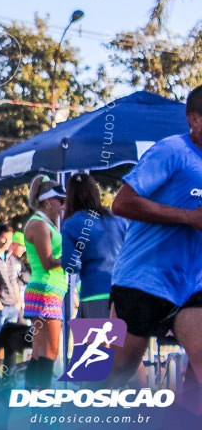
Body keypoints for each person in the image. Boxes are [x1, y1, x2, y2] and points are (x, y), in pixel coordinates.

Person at [105, 86, 202, 407]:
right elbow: (122, 204)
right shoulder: (171, 151)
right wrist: (187, 217)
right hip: (144, 279)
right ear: (194, 120)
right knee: (117, 374)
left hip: (193, 285)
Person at [61, 172, 128, 319]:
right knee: (120, 341)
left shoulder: (71, 224)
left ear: (70, 196)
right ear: (95, 192)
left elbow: (70, 264)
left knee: (93, 342)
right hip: (123, 294)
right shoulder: (118, 220)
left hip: (94, 293)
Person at [22, 175, 68, 390]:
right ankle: (42, 399)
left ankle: (33, 396)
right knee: (50, 351)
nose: (63, 206)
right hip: (46, 289)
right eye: (61, 201)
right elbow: (48, 262)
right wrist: (72, 258)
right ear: (48, 201)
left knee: (40, 351)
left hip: (45, 289)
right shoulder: (39, 224)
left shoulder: (44, 223)